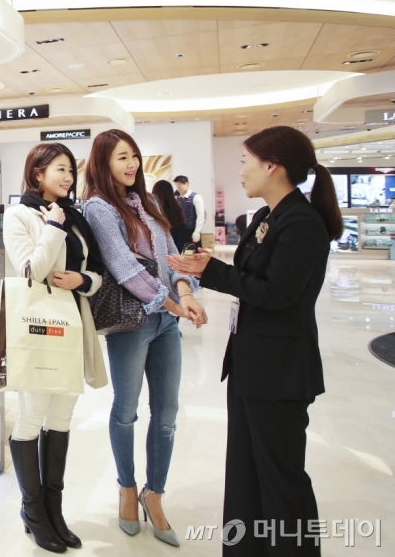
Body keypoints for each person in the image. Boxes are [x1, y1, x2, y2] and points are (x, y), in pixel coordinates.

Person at [168, 126, 340, 557]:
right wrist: (208, 265)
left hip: (280, 370)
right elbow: (252, 277)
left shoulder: (302, 222)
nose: (241, 170)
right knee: (245, 471)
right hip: (251, 362)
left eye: (245, 161)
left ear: (272, 165)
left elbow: (279, 293)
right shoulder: (267, 216)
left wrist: (212, 271)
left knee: (281, 479)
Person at [82, 129, 205, 547]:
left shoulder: (147, 201)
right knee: (126, 410)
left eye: (133, 155)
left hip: (166, 322)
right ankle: (127, 488)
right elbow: (123, 268)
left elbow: (170, 256)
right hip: (132, 323)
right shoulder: (99, 207)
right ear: (103, 162)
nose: (131, 163)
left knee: (167, 413)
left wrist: (185, 293)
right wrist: (170, 303)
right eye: (121, 157)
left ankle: (155, 494)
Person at [4, 143, 108, 553]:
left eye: (70, 170)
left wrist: (84, 282)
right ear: (37, 174)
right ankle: (32, 511)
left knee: (62, 417)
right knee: (32, 415)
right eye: (59, 169)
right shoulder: (20, 215)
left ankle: (53, 509)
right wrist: (52, 225)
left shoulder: (75, 216)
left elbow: (96, 272)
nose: (67, 177)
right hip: (39, 329)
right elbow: (31, 271)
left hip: (74, 324)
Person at [152, 180, 190, 252]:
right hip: (176, 251)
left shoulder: (152, 210)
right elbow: (182, 238)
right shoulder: (176, 210)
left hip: (159, 251)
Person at [173, 175, 205, 245]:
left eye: (180, 185)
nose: (178, 188)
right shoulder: (177, 198)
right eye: (177, 186)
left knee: (193, 250)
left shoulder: (196, 197)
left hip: (191, 230)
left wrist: (197, 231)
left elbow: (200, 216)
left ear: (186, 184)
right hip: (180, 230)